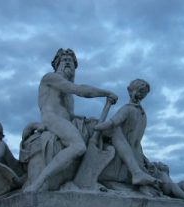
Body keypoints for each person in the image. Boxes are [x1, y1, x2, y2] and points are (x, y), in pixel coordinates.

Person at [24, 48, 118, 192]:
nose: (68, 63)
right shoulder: (51, 77)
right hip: (51, 118)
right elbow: (80, 89)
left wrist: (86, 120)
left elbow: (68, 113)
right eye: (64, 60)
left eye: (71, 61)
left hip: (63, 121)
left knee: (100, 128)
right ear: (57, 64)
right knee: (78, 146)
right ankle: (38, 183)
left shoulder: (67, 95)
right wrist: (105, 93)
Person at [95, 79, 158, 186]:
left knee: (115, 130)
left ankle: (136, 174)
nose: (142, 95)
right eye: (141, 91)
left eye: (143, 93)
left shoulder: (128, 109)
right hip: (136, 156)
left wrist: (95, 126)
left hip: (125, 159)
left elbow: (111, 123)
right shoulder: (142, 113)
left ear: (129, 90)